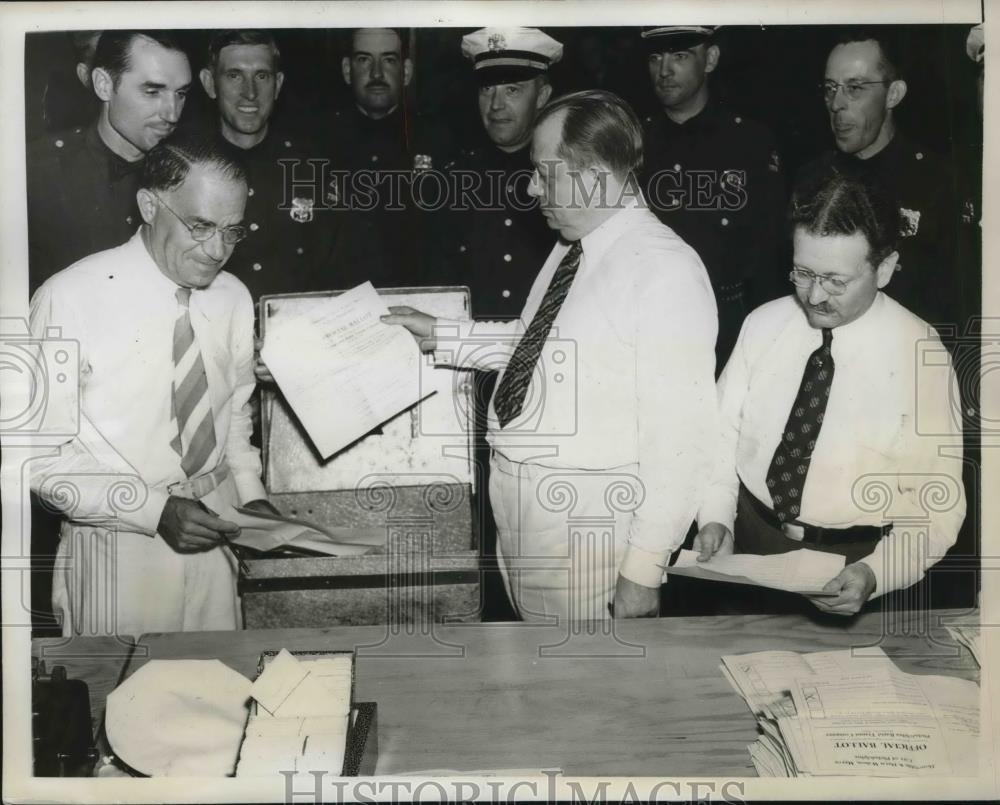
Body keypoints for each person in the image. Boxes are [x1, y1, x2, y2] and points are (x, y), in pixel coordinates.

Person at [383, 90, 719, 621]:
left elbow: (682, 441)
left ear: (595, 174)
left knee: (582, 692)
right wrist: (441, 334)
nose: (532, 187)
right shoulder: (572, 246)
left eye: (544, 171)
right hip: (523, 523)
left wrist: (644, 570)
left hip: (588, 536)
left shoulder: (664, 270)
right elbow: (534, 346)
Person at [29, 134, 277, 637]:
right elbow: (35, 458)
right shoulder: (66, 299)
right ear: (148, 205)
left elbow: (232, 413)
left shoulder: (232, 297)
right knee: (119, 708)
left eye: (233, 231)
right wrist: (155, 510)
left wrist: (250, 497)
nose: (218, 251)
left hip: (216, 536)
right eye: (201, 226)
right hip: (116, 551)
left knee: (221, 699)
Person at [694, 162, 965, 617]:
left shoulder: (922, 357)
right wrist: (716, 517)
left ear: (885, 269)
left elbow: (936, 508)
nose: (815, 296)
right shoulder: (764, 325)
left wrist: (877, 573)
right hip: (748, 545)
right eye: (802, 273)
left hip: (851, 566)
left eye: (836, 281)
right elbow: (719, 439)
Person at [431, 27, 563, 620]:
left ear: (545, 93)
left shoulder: (569, 183)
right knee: (477, 528)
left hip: (550, 382)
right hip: (469, 379)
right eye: (487, 90)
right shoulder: (449, 180)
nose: (497, 104)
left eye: (513, 88)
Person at [639, 25, 786, 368]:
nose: (664, 70)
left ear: (711, 59)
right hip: (648, 325)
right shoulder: (633, 142)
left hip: (728, 330)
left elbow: (768, 254)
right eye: (655, 57)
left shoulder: (750, 142)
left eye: (680, 56)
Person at [803, 28, 961, 334]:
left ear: (893, 94)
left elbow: (952, 303)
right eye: (830, 88)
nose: (836, 104)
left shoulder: (937, 183)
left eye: (855, 88)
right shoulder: (811, 178)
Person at [27, 31, 192, 292]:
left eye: (181, 94)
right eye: (152, 91)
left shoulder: (192, 173)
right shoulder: (35, 173)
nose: (172, 114)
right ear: (104, 85)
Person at [199, 29, 338, 303]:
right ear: (210, 83)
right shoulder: (188, 167)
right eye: (234, 75)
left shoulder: (311, 168)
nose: (250, 92)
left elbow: (335, 271)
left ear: (278, 84)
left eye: (262, 76)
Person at [327, 27, 427, 288]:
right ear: (347, 70)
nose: (377, 74)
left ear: (406, 71)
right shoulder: (317, 144)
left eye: (389, 60)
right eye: (364, 59)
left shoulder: (439, 141)